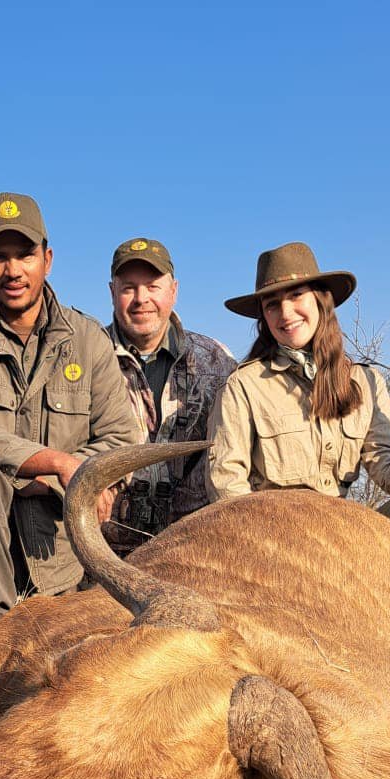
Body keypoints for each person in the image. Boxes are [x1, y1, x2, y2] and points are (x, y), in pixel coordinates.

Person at [0, 193, 137, 629]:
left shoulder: (88, 337)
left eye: (25, 255)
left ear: (48, 259)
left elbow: (122, 439)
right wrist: (56, 464)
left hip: (58, 523)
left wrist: (55, 483)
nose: (13, 270)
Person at [206, 242, 390, 561]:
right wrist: (270, 553)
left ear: (321, 300)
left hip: (345, 540)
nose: (286, 313)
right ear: (264, 316)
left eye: (296, 296)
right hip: (280, 548)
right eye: (272, 304)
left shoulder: (365, 381)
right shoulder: (243, 385)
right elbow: (227, 487)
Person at [104, 237, 236, 556]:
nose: (141, 299)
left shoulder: (217, 361)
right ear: (112, 292)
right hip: (104, 551)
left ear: (173, 291)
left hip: (194, 550)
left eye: (152, 286)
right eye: (129, 288)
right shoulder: (89, 357)